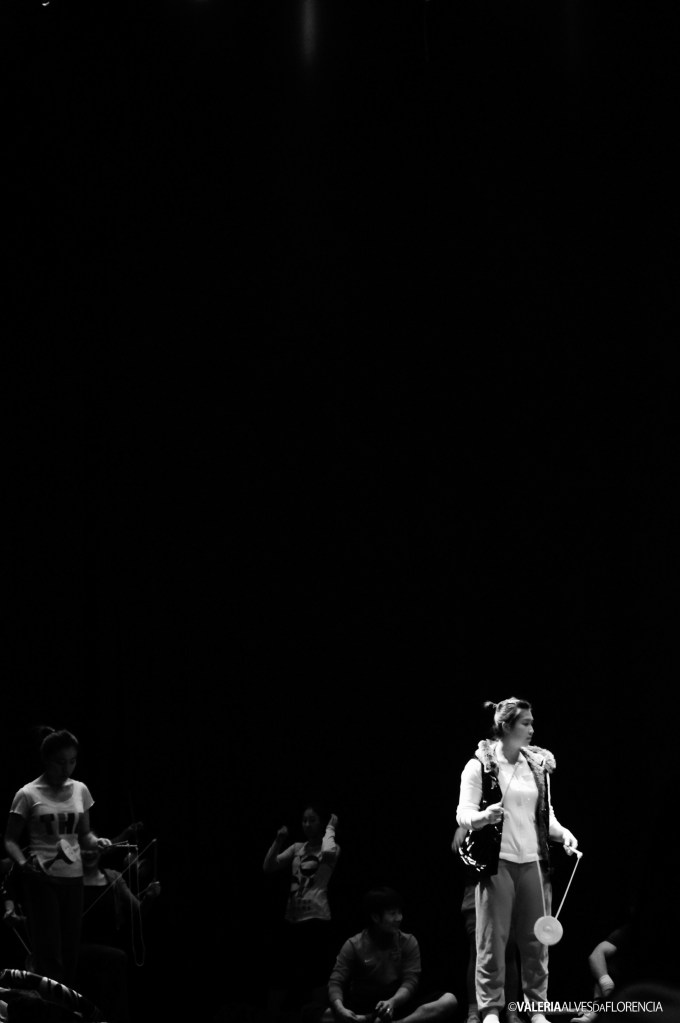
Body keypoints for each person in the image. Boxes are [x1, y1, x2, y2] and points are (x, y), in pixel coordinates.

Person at [456, 698, 578, 1023]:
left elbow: (546, 816)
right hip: (498, 863)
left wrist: (563, 834)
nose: (532, 729)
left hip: (534, 863)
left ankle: (536, 1009)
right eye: (526, 723)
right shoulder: (479, 766)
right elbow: (463, 814)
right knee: (492, 940)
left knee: (537, 941)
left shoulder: (537, 767)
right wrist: (483, 817)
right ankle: (490, 1010)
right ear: (506, 726)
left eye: (532, 722)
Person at [3, 727, 112, 987]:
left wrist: (97, 842)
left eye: (72, 761)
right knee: (48, 950)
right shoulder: (28, 794)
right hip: (41, 879)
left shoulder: (80, 790)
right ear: (46, 760)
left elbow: (84, 835)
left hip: (73, 879)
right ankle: (49, 1004)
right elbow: (9, 840)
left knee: (70, 949)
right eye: (60, 762)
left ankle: (64, 1003)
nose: (67, 768)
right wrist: (23, 863)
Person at [325, 886, 457, 1023]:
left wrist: (392, 1002)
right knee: (319, 1011)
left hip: (396, 1004)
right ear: (375, 917)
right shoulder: (353, 944)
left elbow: (410, 981)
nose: (399, 918)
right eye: (392, 913)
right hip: (363, 1004)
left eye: (400, 912)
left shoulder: (408, 941)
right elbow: (336, 981)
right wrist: (340, 1009)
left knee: (449, 1000)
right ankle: (368, 1018)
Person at [263, 805, 340, 1017]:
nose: (307, 824)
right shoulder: (297, 847)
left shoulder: (332, 847)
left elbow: (327, 852)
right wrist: (278, 841)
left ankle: (320, 1016)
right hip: (293, 918)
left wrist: (331, 828)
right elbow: (268, 867)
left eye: (312, 820)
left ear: (321, 823)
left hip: (317, 918)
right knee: (281, 973)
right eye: (304, 820)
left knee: (317, 974)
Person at [76, 846, 161, 1023]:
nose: (89, 853)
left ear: (101, 851)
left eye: (93, 848)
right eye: (84, 849)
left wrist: (150, 897)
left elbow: (138, 913)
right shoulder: (69, 879)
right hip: (76, 951)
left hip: (109, 949)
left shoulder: (113, 877)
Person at [450, 827, 520, 1023]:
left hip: (508, 894)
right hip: (478, 892)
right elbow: (462, 853)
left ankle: (512, 1011)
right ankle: (474, 1011)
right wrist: (464, 830)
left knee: (509, 952)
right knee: (478, 953)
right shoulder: (470, 823)